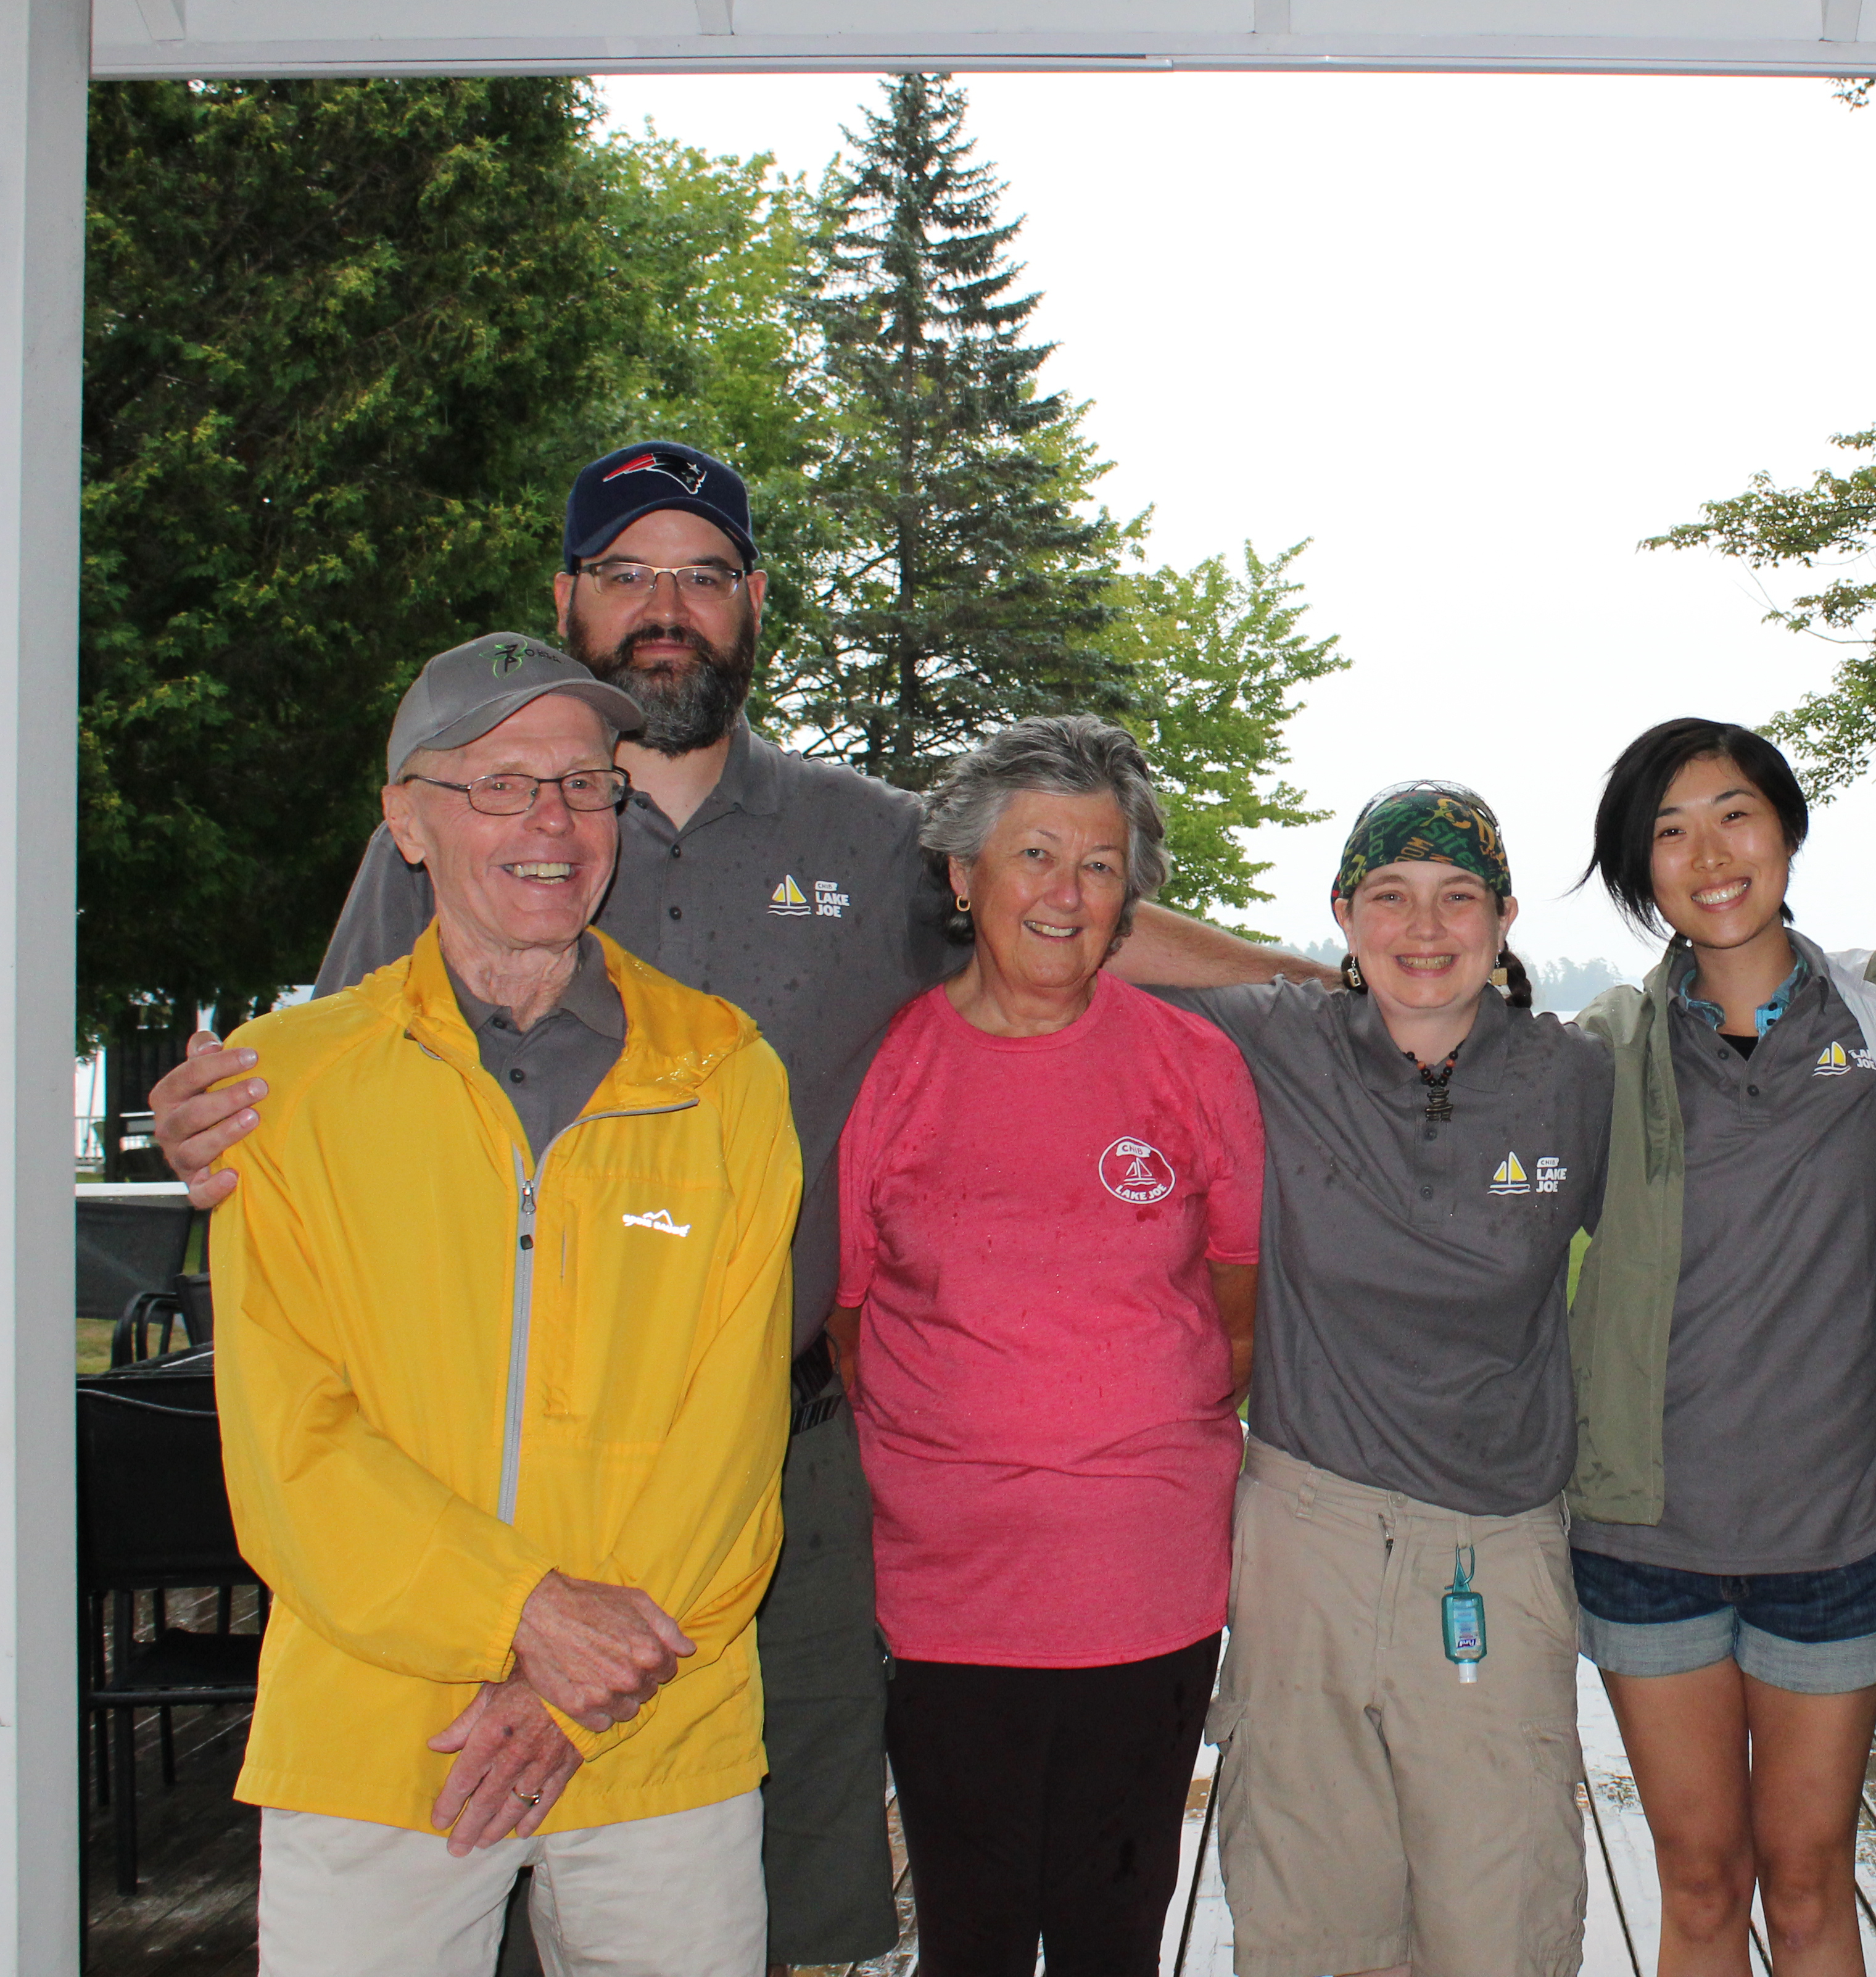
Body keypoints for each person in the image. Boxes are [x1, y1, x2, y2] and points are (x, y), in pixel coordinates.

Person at [144, 441, 1311, 1973]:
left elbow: (1066, 906)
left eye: (701, 575)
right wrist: (218, 1117)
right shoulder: (460, 846)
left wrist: (1345, 982)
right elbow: (343, 1085)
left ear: (752, 603)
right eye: (628, 573)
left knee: (767, 1883)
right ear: (569, 597)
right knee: (466, 1863)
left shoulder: (865, 835)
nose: (665, 606)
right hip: (464, 1462)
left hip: (777, 1457)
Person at [212, 634, 800, 1975]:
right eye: (499, 785)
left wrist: (574, 1686)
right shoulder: (285, 1089)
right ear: (407, 822)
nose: (551, 822)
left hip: (661, 1724)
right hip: (381, 1728)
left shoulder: (723, 1077)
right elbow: (291, 1441)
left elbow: (732, 1434)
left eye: (586, 785)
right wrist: (521, 1617)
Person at [826, 716, 1263, 1976]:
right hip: (953, 1590)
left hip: (1149, 1579)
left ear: (1132, 898)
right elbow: (852, 1319)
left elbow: (1235, 1311)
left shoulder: (1189, 1061)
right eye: (1034, 855)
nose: (1065, 894)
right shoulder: (892, 1071)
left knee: (1113, 1926)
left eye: (1101, 865)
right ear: (965, 878)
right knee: (969, 1928)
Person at [1155, 782, 1611, 1977]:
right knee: (1309, 1917)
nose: (1425, 928)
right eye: (1389, 898)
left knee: (1501, 1921)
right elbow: (1094, 927)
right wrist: (1293, 968)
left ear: (1505, 917)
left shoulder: (1579, 1077)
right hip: (1307, 1527)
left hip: (1500, 1546)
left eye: (1458, 897)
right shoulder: (1279, 1037)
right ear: (1346, 914)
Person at [1566, 717, 1876, 1976]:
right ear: (1638, 869)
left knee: (1814, 1881)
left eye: (1734, 814)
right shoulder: (1602, 1052)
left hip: (1834, 1532)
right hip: (1647, 1540)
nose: (1708, 852)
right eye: (1667, 832)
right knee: (1703, 1882)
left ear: (1785, 830)